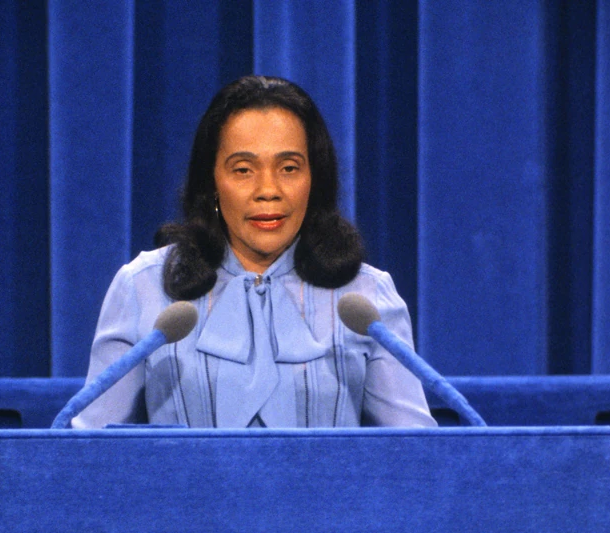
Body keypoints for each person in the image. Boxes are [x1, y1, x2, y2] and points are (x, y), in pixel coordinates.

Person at [73, 75, 436, 429]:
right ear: (212, 182)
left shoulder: (366, 299)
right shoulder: (143, 288)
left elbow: (417, 452)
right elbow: (88, 450)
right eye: (244, 170)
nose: (268, 190)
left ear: (314, 179)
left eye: (289, 168)